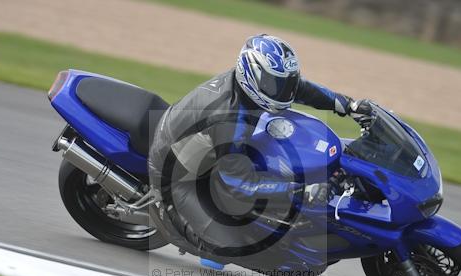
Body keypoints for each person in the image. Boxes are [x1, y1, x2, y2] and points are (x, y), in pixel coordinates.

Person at [148, 34, 372, 260]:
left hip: (208, 154)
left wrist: (347, 104)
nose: (283, 92)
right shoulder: (230, 120)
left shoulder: (252, 89)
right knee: (232, 247)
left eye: (286, 82)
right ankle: (172, 221)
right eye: (275, 84)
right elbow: (238, 184)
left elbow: (300, 89)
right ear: (251, 76)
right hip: (177, 178)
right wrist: (301, 191)